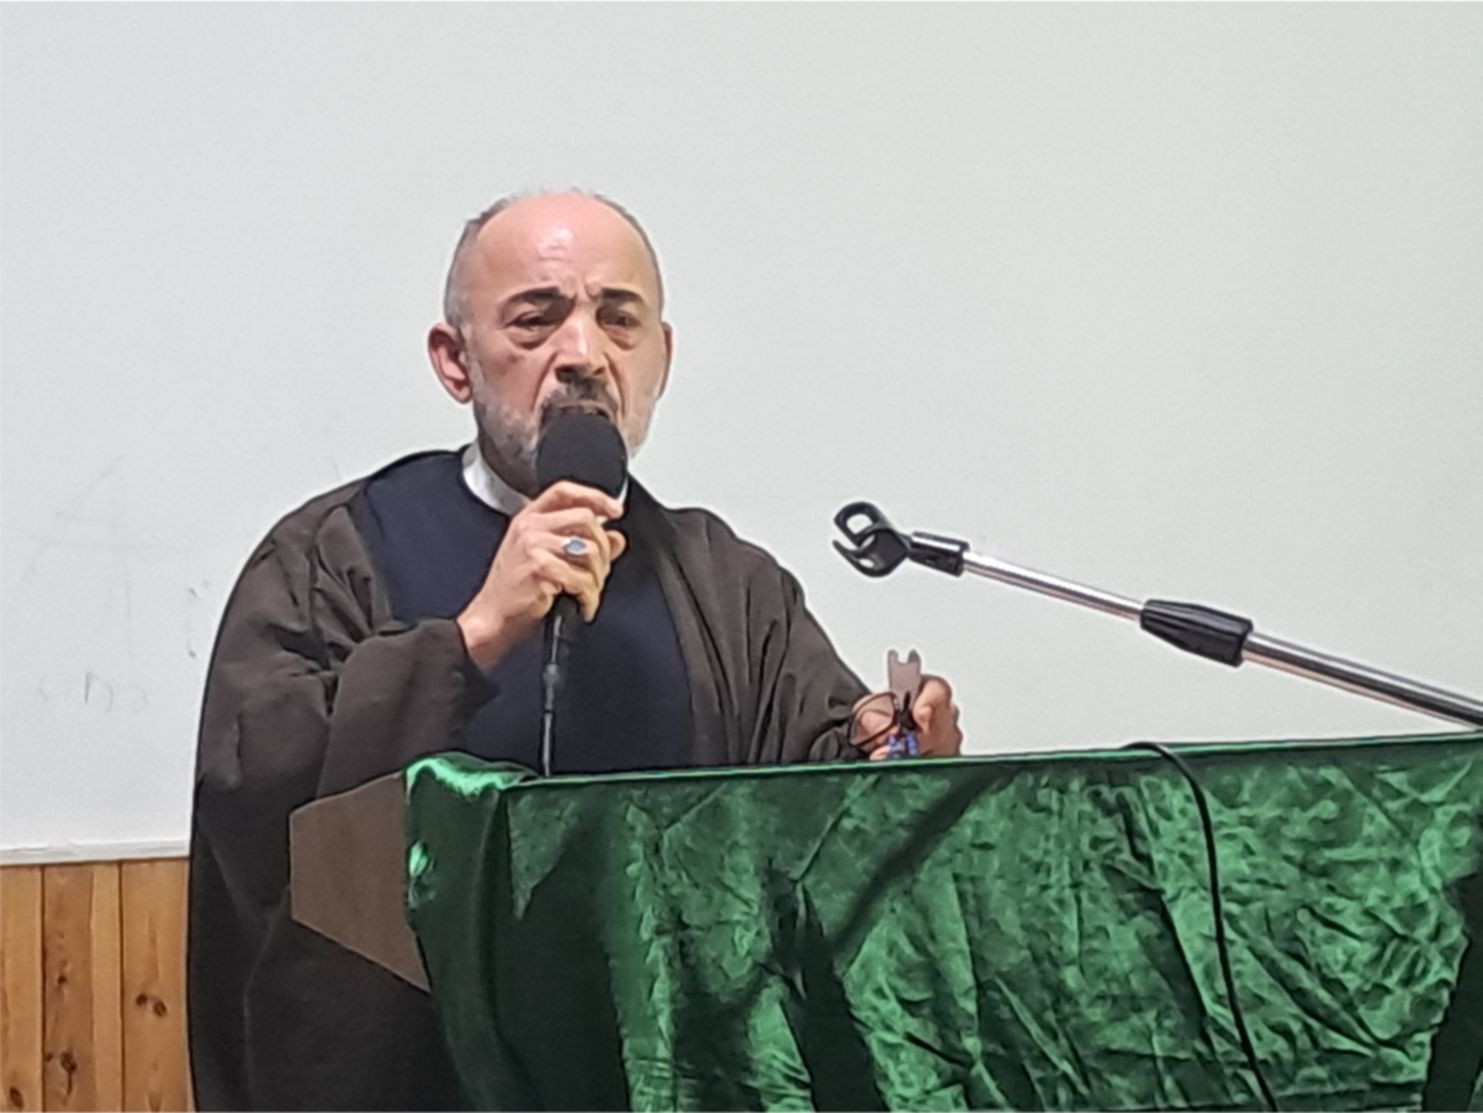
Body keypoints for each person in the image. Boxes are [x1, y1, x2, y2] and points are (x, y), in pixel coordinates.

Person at [187, 190, 964, 1110]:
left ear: (662, 358)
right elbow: (255, 789)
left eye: (619, 320)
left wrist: (889, 756)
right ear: (454, 360)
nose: (584, 355)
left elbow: (811, 810)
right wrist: (472, 638)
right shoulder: (337, 553)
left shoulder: (726, 584)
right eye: (536, 318)